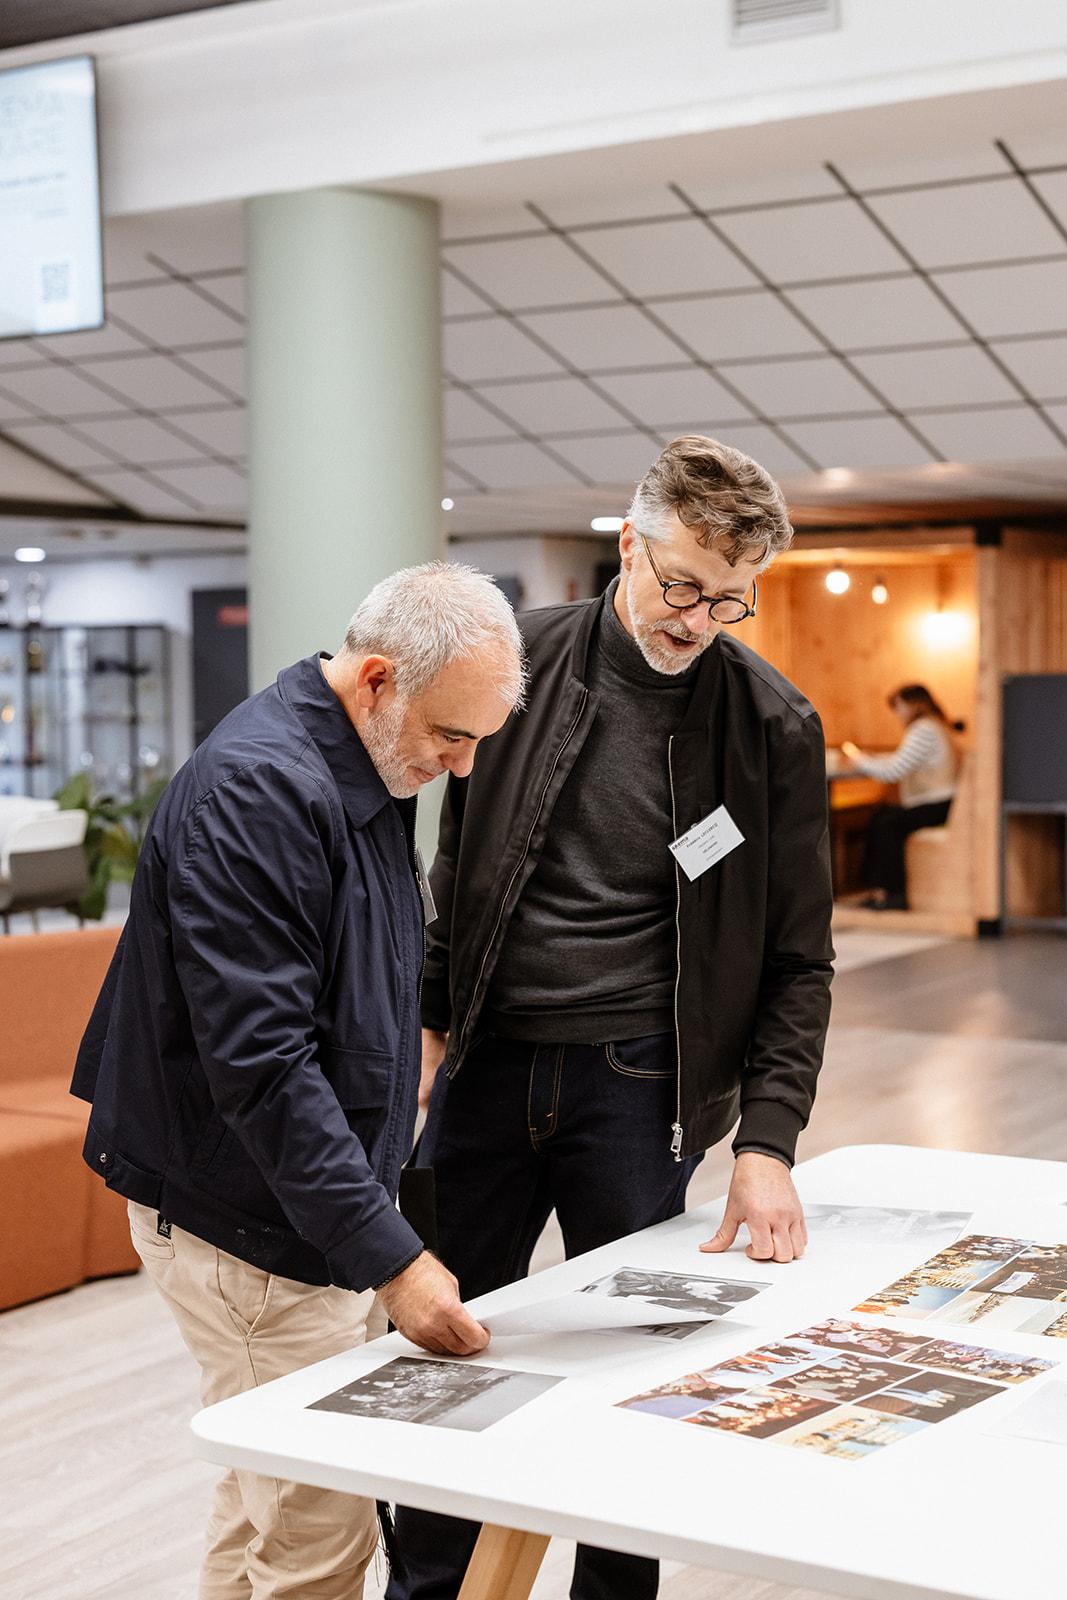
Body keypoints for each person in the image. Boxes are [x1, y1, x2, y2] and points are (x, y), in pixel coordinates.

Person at [388, 436, 835, 1600]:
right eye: (681, 585)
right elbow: (454, 867)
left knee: (629, 1377)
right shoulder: (516, 662)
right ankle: (429, 1586)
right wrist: (426, 1026)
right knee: (438, 1350)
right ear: (627, 544)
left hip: (641, 1086)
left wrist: (768, 1142)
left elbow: (798, 959)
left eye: (729, 600)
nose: (696, 621)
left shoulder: (770, 728)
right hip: (485, 1066)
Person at [70, 561, 525, 1600]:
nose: (459, 765)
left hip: (302, 1211)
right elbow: (264, 1064)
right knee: (318, 1540)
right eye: (449, 735)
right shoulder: (260, 791)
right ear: (376, 680)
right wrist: (394, 1261)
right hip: (249, 1226)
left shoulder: (360, 766)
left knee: (260, 1499)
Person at [841, 682, 961, 910]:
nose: (897, 714)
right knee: (881, 816)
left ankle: (893, 894)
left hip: (936, 804)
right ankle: (879, 890)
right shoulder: (937, 725)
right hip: (942, 802)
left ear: (914, 704)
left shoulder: (923, 730)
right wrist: (870, 759)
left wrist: (858, 760)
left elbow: (893, 771)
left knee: (886, 824)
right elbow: (900, 760)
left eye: (898, 706)